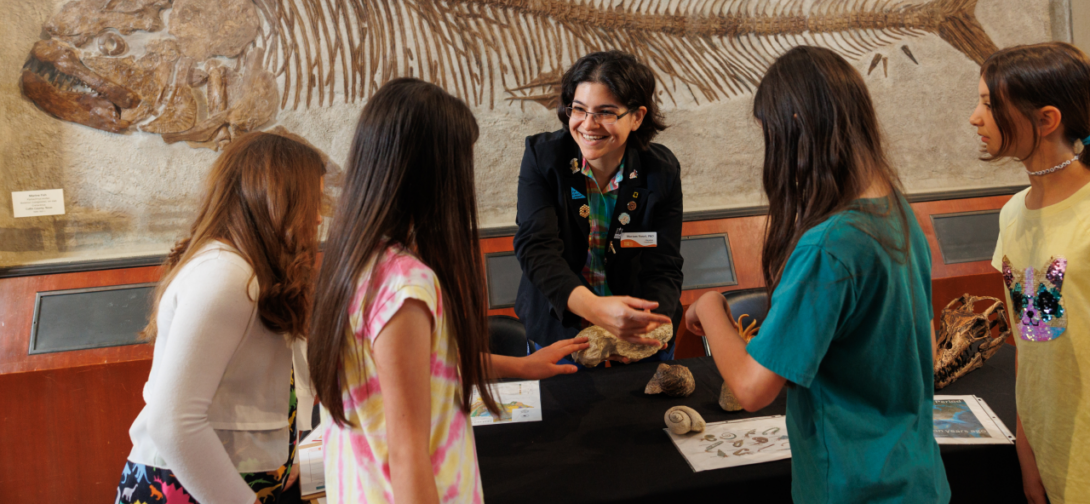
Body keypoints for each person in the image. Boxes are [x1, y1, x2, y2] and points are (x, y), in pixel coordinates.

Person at [686, 46, 949, 503]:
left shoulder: (829, 246)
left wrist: (710, 309)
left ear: (795, 128)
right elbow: (922, 351)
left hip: (852, 487)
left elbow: (751, 389)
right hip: (917, 478)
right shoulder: (903, 218)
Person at [307, 78, 587, 504]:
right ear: (433, 174)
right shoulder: (406, 283)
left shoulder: (354, 261)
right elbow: (407, 453)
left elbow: (411, 370)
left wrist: (521, 367)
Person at [117, 132, 326, 504]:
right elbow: (174, 422)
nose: (318, 216)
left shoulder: (248, 269)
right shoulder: (225, 276)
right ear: (278, 199)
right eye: (314, 201)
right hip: (196, 486)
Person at [971, 42, 1090, 504]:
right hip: (1052, 444)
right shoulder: (1012, 214)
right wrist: (1027, 446)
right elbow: (1034, 337)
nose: (975, 118)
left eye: (988, 104)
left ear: (1046, 120)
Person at [513, 51, 683, 362]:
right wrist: (597, 312)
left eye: (605, 112)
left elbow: (663, 264)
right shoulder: (543, 159)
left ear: (637, 117)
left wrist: (648, 329)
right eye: (578, 109)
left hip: (637, 332)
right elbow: (537, 250)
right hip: (560, 330)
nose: (588, 124)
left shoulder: (662, 171)